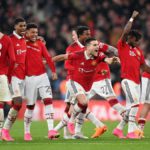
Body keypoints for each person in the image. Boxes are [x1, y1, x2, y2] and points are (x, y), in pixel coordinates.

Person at [49, 37, 119, 139]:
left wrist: (111, 59)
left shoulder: (99, 55)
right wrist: (48, 61)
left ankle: (62, 131)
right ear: (87, 47)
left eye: (97, 45)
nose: (97, 47)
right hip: (74, 82)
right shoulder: (78, 55)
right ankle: (71, 122)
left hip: (87, 87)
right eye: (94, 45)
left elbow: (107, 60)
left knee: (82, 108)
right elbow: (63, 57)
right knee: (83, 103)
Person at [112, 10, 150, 139]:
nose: (138, 43)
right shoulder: (122, 46)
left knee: (131, 108)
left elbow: (144, 67)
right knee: (134, 104)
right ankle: (131, 132)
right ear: (132, 38)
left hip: (137, 83)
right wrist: (132, 18)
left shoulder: (138, 51)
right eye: (137, 40)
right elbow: (125, 32)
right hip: (127, 80)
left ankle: (118, 129)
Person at [24, 23, 57, 141]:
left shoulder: (40, 44)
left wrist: (53, 71)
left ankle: (51, 130)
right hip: (29, 78)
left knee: (48, 101)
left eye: (36, 33)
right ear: (26, 33)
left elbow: (48, 57)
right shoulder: (23, 43)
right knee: (30, 106)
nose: (35, 35)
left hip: (43, 76)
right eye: (32, 32)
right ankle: (27, 132)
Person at [2, 17, 27, 141]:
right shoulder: (8, 40)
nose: (23, 28)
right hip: (11, 76)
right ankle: (5, 131)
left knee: (16, 105)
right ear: (15, 26)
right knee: (17, 102)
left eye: (24, 26)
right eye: (21, 26)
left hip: (22, 77)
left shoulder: (24, 40)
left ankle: (4, 130)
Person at [0, 32, 16, 140]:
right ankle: (0, 132)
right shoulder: (6, 39)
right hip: (1, 75)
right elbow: (13, 60)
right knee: (0, 104)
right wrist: (8, 75)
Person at [138, 53, 150, 134]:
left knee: (147, 104)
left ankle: (139, 130)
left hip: (146, 77)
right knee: (147, 104)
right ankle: (139, 130)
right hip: (148, 78)